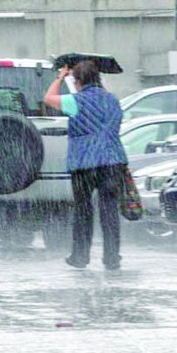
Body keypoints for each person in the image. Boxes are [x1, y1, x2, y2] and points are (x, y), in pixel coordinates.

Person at [43, 60, 128, 270]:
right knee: (109, 211)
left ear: (77, 81)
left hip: (84, 163)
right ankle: (112, 258)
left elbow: (48, 99)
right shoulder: (113, 101)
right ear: (98, 79)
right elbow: (103, 100)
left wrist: (60, 78)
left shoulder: (75, 101)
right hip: (112, 161)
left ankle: (80, 257)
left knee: (83, 210)